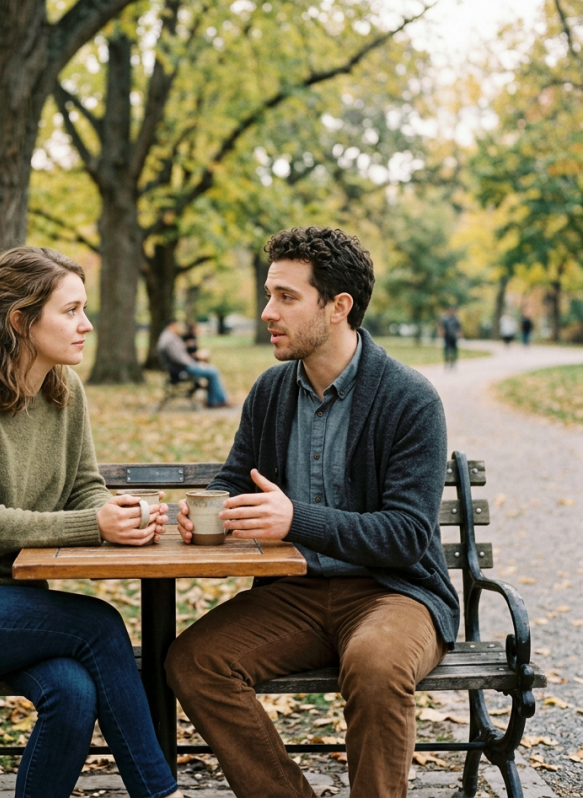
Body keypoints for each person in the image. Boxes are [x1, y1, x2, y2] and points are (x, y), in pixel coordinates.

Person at [165, 226, 458, 798]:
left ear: (337, 307)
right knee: (194, 662)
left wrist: (294, 519)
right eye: (269, 294)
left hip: (394, 593)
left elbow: (405, 536)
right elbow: (236, 479)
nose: (267, 311)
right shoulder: (272, 390)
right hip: (295, 593)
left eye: (286, 297)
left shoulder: (409, 398)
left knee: (376, 667)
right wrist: (208, 510)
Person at [0, 247, 183, 798]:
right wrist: (93, 525)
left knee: (72, 695)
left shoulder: (65, 392)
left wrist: (116, 511)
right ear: (21, 319)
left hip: (12, 608)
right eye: (70, 311)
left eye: (84, 309)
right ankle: (162, 794)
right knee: (98, 625)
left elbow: (83, 487)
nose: (86, 325)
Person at [156, 318, 230, 408]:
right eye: (178, 326)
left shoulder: (168, 337)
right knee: (212, 371)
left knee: (211, 370)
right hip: (181, 369)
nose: (179, 328)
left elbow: (179, 355)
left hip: (179, 367)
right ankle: (218, 401)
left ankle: (214, 401)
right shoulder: (169, 339)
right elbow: (178, 358)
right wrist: (194, 362)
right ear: (172, 325)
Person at [439, 305, 462, 370]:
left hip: (454, 337)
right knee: (446, 350)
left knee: (454, 351)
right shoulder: (445, 319)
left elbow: (459, 328)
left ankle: (453, 363)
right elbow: (442, 327)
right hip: (447, 337)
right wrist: (441, 332)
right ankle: (446, 363)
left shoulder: (456, 319)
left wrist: (459, 334)